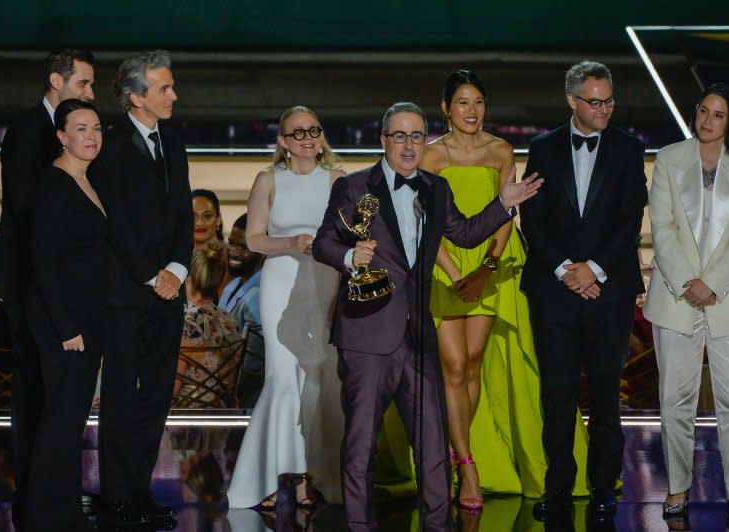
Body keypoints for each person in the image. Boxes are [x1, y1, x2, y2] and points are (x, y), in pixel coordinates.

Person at [312, 101, 542, 531]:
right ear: (383, 140)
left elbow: (466, 234)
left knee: (434, 444)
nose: (408, 144)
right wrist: (348, 255)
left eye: (416, 135)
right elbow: (322, 242)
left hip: (419, 334)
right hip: (367, 335)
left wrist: (502, 205)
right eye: (399, 135)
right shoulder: (354, 186)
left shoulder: (436, 189)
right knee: (361, 446)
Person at [421, 69, 589, 506]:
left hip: (492, 265)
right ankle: (467, 466)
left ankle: (463, 459)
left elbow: (507, 210)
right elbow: (427, 223)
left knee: (472, 365)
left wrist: (488, 265)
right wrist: (455, 273)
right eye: (462, 102)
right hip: (443, 265)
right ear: (445, 108)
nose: (471, 110)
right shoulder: (431, 156)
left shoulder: (500, 150)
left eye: (478, 102)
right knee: (452, 367)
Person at [520, 60, 647, 520]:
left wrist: (592, 270)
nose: (605, 109)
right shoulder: (542, 147)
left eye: (610, 100)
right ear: (572, 100)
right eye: (595, 102)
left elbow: (629, 219)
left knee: (607, 394)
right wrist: (563, 270)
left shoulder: (629, 149)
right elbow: (533, 219)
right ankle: (557, 490)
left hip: (607, 293)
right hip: (554, 293)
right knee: (556, 396)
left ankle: (603, 488)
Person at [643, 82, 729, 522]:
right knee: (675, 399)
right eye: (703, 111)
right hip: (675, 298)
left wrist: (711, 284)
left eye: (718, 114)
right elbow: (662, 224)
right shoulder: (670, 158)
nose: (707, 120)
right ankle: (677, 488)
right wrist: (687, 282)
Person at [0, 48, 95, 530]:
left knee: (53, 399)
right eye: (85, 84)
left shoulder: (76, 134)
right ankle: (36, 499)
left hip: (56, 289)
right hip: (29, 285)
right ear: (58, 80)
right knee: (36, 394)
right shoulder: (28, 132)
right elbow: (31, 216)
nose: (91, 94)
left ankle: (47, 495)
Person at [90, 50, 193, 527]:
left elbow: (185, 214)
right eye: (164, 88)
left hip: (168, 294)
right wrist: (155, 275)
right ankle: (115, 495)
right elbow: (115, 224)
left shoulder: (173, 140)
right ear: (136, 97)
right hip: (127, 295)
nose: (173, 95)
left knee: (155, 398)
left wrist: (177, 267)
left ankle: (140, 490)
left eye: (171, 86)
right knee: (120, 398)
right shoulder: (109, 148)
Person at [227, 106, 346, 511]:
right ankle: (269, 478)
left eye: (314, 129)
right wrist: (291, 243)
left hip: (326, 282)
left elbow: (351, 234)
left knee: (320, 377)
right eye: (298, 133)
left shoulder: (338, 180)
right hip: (280, 281)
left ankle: (313, 478)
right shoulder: (268, 180)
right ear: (283, 141)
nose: (308, 138)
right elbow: (255, 240)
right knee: (282, 378)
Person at [24, 99, 105, 532]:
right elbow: (44, 260)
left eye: (96, 127)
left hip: (84, 320)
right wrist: (67, 326)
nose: (91, 135)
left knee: (70, 420)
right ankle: (46, 517)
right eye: (80, 128)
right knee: (60, 420)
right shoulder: (54, 184)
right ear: (61, 136)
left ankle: (62, 512)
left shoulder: (87, 180)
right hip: (64, 323)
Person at [177, 241, 243, 407]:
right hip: (223, 423)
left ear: (187, 278)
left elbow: (167, 394)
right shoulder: (230, 321)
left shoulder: (184, 324)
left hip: (181, 423)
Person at [219, 213, 266, 407]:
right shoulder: (233, 285)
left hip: (248, 400)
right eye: (232, 243)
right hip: (225, 390)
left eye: (243, 248)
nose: (234, 252)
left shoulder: (261, 293)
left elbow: (258, 358)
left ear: (263, 251)